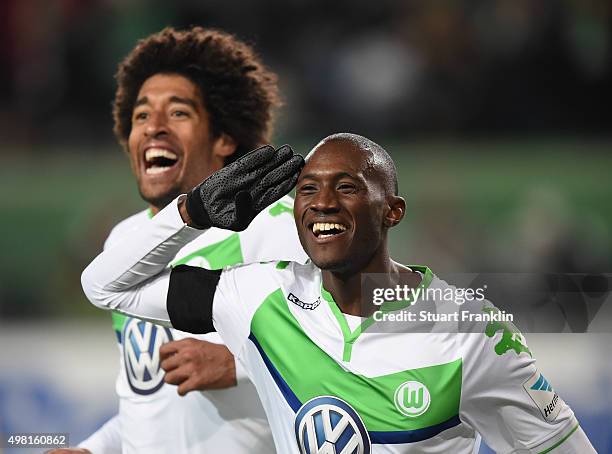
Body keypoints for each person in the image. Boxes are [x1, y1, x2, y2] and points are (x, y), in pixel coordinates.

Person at [81, 133, 595, 453]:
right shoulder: (260, 296)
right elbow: (104, 285)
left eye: (347, 187)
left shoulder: (472, 332)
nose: (322, 203)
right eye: (308, 189)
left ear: (392, 211)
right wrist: (192, 213)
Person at [53, 27, 306, 454]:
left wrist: (241, 364)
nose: (154, 127)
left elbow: (350, 349)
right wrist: (92, 449)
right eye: (140, 115)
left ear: (224, 138)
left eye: (178, 113)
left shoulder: (273, 228)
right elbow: (148, 403)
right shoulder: (123, 242)